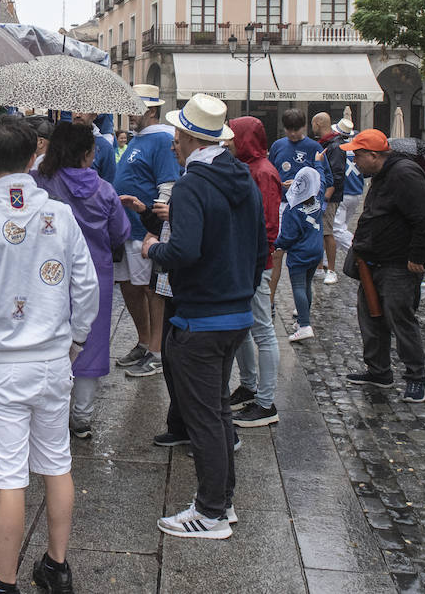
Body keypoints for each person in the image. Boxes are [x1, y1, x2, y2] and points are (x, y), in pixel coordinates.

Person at [0, 115, 98, 594]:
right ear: (35, 155)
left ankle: (5, 581)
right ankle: (57, 566)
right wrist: (77, 339)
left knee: (9, 476)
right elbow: (87, 284)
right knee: (57, 462)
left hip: (1, 362)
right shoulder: (59, 213)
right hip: (54, 358)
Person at [144, 94, 267, 540]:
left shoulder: (193, 184)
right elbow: (260, 250)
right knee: (217, 414)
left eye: (178, 136)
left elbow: (184, 250)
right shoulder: (242, 177)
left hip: (201, 317)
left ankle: (211, 511)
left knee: (204, 420)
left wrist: (152, 250)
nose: (174, 144)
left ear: (188, 137)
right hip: (233, 312)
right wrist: (241, 291)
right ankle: (222, 502)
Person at [31, 121, 129, 439]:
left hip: (46, 274)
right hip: (95, 275)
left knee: (48, 339)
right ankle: (81, 417)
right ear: (88, 154)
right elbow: (121, 233)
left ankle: (48, 412)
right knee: (91, 343)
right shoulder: (104, 190)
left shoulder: (38, 182)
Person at [339, 128, 425, 403]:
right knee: (371, 318)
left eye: (357, 156)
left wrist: (418, 257)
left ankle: (416, 377)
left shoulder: (404, 173)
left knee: (400, 319)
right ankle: (379, 370)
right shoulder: (382, 174)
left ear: (373, 155)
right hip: (374, 261)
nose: (354, 162)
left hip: (397, 264)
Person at [112, 84, 180, 378]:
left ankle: (156, 350)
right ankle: (143, 340)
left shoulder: (163, 139)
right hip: (128, 229)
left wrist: (158, 229)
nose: (127, 114)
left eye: (133, 107)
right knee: (129, 286)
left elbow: (167, 186)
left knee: (153, 291)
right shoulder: (139, 139)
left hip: (145, 230)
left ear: (150, 110)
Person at [225, 115, 282, 430]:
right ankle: (249, 387)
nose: (228, 142)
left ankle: (265, 401)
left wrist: (256, 258)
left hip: (255, 263)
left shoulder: (262, 172)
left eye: (233, 136)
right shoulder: (249, 169)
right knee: (246, 329)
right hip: (245, 261)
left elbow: (268, 225)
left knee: (262, 330)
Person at [267, 109, 324, 301]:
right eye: (289, 130)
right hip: (282, 206)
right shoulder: (277, 146)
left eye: (296, 129)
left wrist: (303, 188)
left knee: (301, 256)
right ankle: (271, 300)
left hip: (305, 208)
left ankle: (300, 303)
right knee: (276, 254)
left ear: (304, 127)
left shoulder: (313, 147)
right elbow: (270, 172)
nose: (292, 134)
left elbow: (323, 179)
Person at [277, 167, 325, 342]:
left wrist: (277, 245)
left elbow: (288, 236)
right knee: (306, 286)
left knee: (298, 287)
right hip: (316, 251)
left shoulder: (292, 210)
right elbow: (322, 180)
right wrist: (319, 163)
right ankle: (303, 319)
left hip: (299, 254)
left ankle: (304, 325)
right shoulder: (318, 200)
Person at [314, 112, 347, 285]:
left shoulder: (334, 146)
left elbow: (336, 175)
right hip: (323, 195)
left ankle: (331, 270)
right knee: (320, 232)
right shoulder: (326, 143)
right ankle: (319, 267)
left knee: (327, 232)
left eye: (313, 122)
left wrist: (325, 198)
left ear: (319, 123)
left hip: (329, 196)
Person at [333, 119, 364, 259]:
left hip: (343, 193)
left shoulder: (338, 148)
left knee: (337, 229)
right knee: (342, 226)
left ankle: (358, 252)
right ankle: (327, 259)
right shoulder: (357, 149)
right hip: (357, 192)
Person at [71, 111, 116, 184]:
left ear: (94, 115)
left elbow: (108, 186)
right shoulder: (61, 143)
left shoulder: (105, 148)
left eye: (83, 110)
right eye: (75, 109)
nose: (78, 115)